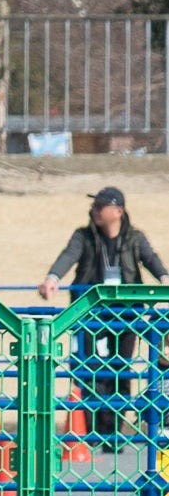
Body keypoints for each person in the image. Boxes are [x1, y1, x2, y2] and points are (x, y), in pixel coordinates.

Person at [38, 186, 169, 439]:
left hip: (126, 315)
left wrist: (164, 277)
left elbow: (151, 258)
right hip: (90, 314)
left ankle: (114, 432)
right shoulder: (83, 236)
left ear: (117, 211)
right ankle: (91, 432)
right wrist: (52, 278)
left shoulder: (134, 237)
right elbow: (69, 256)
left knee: (120, 370)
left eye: (100, 206)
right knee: (90, 369)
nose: (93, 210)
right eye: (94, 206)